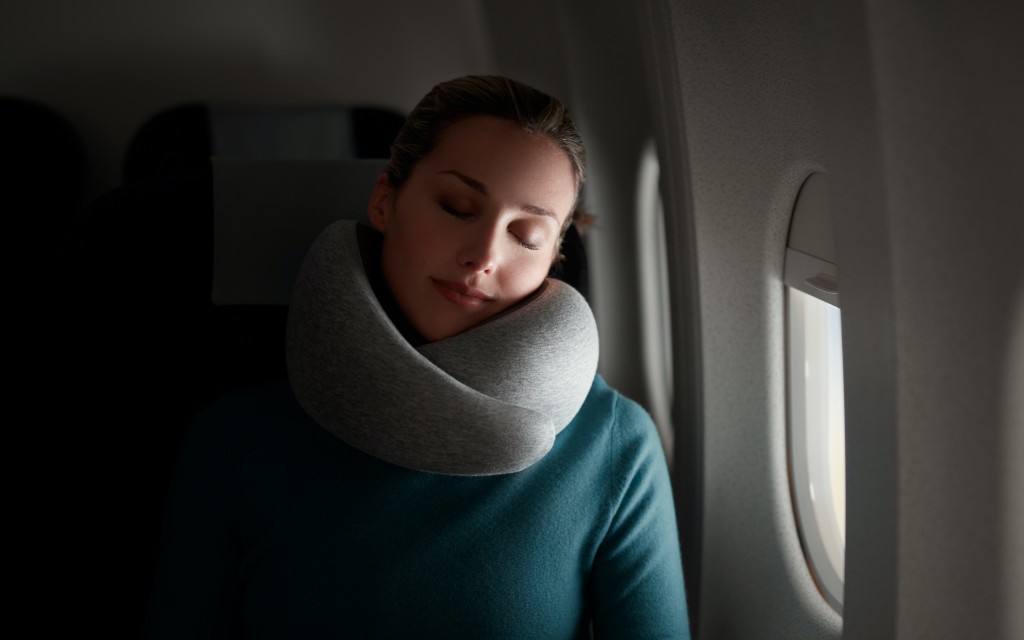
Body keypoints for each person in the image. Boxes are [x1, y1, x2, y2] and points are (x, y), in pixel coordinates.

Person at [144, 75, 690, 639]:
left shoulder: (615, 444)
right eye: (457, 207)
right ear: (385, 201)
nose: (483, 255)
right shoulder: (235, 440)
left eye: (526, 236)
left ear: (553, 259)